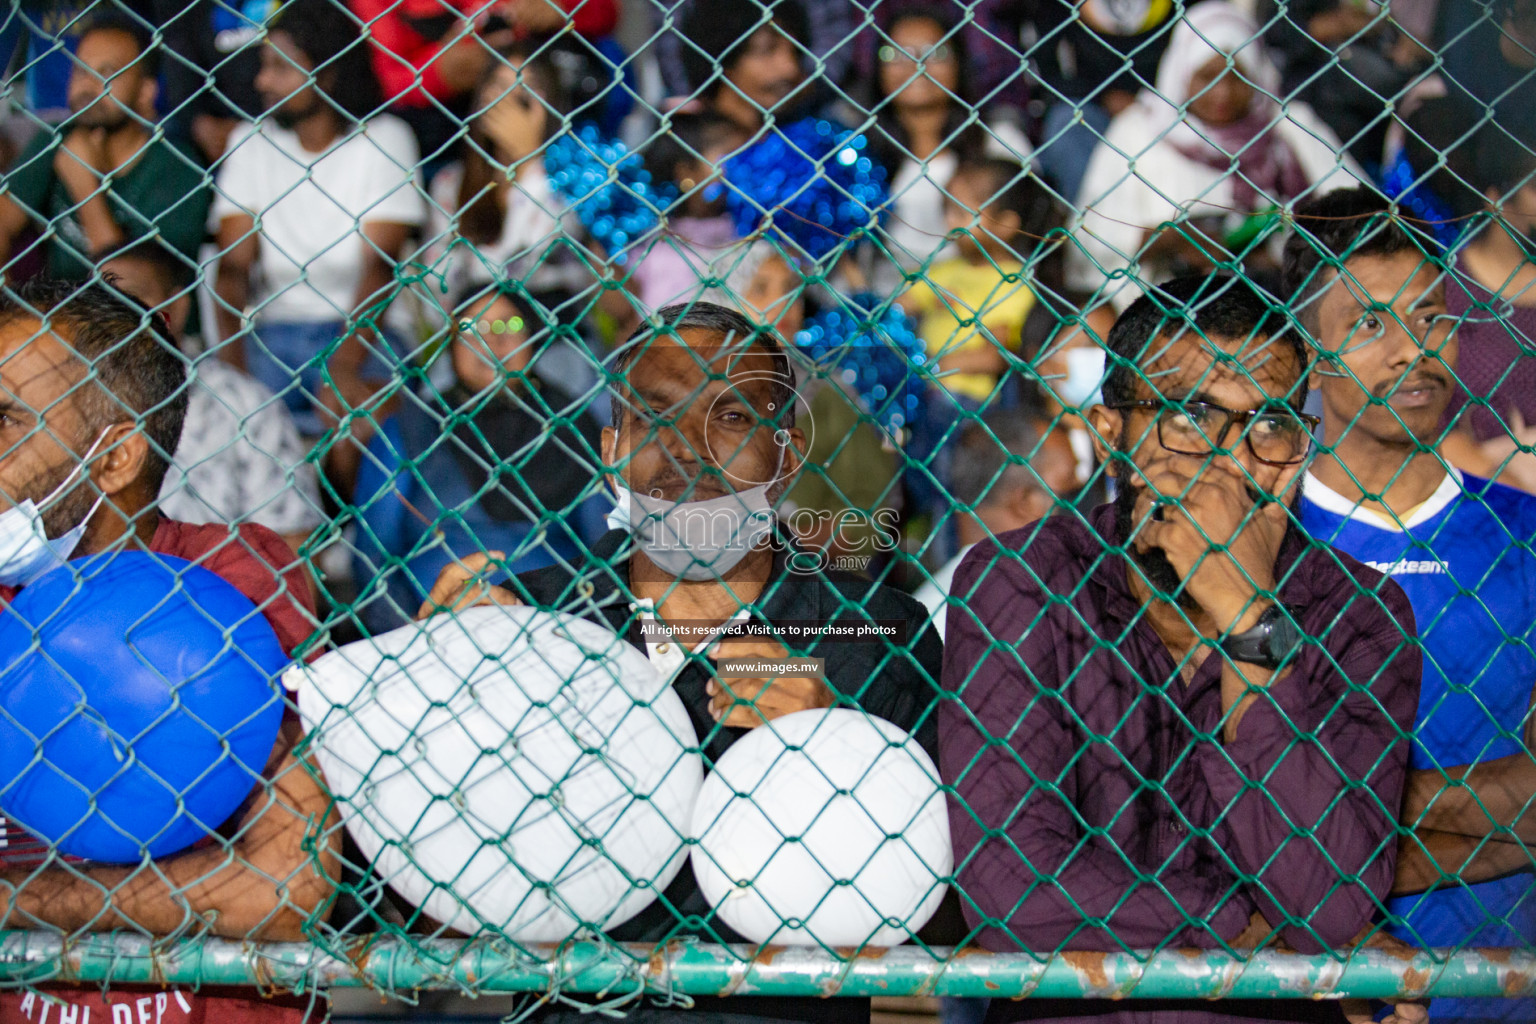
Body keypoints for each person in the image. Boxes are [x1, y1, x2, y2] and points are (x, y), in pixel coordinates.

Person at [420, 301, 943, 1024]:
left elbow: (941, 918)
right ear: (610, 450)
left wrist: (838, 752)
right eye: (657, 417)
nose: (689, 449)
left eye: (729, 418)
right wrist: (431, 697)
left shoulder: (881, 637)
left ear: (788, 456)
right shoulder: (524, 624)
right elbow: (412, 902)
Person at [940, 273, 1422, 1024]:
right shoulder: (1019, 581)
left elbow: (1326, 906)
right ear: (1110, 434)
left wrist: (1249, 618)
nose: (1229, 459)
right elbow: (1009, 892)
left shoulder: (1360, 614)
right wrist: (1245, 931)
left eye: (1268, 424)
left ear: (1299, 451)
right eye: (1190, 416)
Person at [0, 276, 336, 1022]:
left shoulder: (234, 581)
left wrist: (19, 901)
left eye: (4, 422)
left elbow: (283, 891)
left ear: (113, 457)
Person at [1287, 187, 1536, 1024]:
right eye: (1367, 325)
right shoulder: (1258, 545)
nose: (1410, 351)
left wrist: (1351, 827)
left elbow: (1293, 825)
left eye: (1430, 318)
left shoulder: (1527, 534)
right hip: (1323, 998)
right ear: (1309, 357)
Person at [211, 0, 425, 439]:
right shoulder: (249, 143)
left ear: (327, 74)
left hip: (367, 329)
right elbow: (231, 270)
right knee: (230, 422)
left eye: (281, 67)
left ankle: (339, 505)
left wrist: (343, 366)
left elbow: (379, 270)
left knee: (363, 413)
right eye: (263, 64)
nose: (261, 80)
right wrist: (234, 375)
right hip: (275, 331)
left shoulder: (385, 140)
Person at [350, 284, 608, 634]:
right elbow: (372, 557)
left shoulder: (575, 427)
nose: (492, 343)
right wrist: (405, 636)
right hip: (433, 628)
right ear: (451, 343)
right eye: (472, 328)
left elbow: (605, 551)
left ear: (534, 337)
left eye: (508, 326)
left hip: (554, 632)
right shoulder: (412, 427)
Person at [1071, 2, 1361, 310]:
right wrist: (1170, 239)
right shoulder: (1137, 133)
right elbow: (1091, 242)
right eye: (1207, 76)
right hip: (1164, 307)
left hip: (1274, 300)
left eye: (1238, 77)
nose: (1222, 92)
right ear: (1181, 74)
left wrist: (1283, 252)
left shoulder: (1287, 125)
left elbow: (1356, 206)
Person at [97, 239, 324, 556]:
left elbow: (292, 546)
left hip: (218, 595)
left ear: (176, 307)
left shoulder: (246, 404)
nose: (114, 317)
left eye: (131, 300)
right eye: (99, 303)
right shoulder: (65, 404)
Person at [0, 14, 210, 279]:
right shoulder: (56, 140)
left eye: (107, 73)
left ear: (146, 91)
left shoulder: (179, 167)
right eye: (80, 69)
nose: (87, 85)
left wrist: (85, 187)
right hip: (60, 317)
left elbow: (135, 293)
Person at [865, 4, 1031, 297]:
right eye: (895, 53)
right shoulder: (862, 155)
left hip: (988, 300)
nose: (916, 63)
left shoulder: (999, 141)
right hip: (889, 310)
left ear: (960, 63)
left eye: (936, 52)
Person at [913, 412, 1077, 641]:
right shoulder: (1057, 606)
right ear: (1028, 501)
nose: (1086, 509)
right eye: (1071, 491)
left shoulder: (926, 614)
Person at [1438, 128, 1536, 493]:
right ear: (1495, 197)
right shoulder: (1446, 295)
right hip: (1489, 500)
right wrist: (1514, 494)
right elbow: (1430, 430)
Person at [1023, 0, 1177, 203]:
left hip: (1169, 104)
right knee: (1067, 124)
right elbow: (1047, 70)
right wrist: (1103, 97)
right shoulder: (1057, 7)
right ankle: (1092, 222)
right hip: (1093, 106)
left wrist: (1153, 102)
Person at [673, 0, 816, 133]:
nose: (790, 69)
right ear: (724, 58)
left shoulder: (812, 137)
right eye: (767, 50)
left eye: (796, 52)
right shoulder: (684, 150)